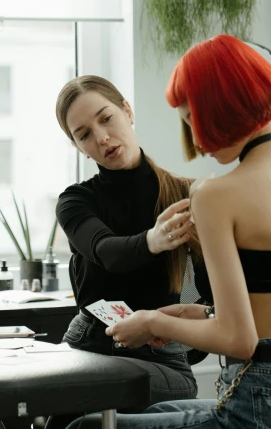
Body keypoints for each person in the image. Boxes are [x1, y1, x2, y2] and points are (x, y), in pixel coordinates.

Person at [67, 35, 271, 428]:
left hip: (266, 396)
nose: (197, 140)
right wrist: (202, 313)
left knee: (87, 427)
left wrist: (152, 322)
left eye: (190, 119)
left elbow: (240, 341)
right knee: (158, 413)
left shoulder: (216, 194)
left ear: (219, 106)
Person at [54, 75, 209, 417]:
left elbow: (213, 295)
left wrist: (175, 328)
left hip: (161, 359)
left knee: (80, 399)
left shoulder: (188, 195)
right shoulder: (75, 202)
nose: (102, 137)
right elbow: (107, 251)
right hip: (90, 347)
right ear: (78, 146)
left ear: (127, 110)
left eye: (106, 118)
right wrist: (152, 240)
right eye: (84, 135)